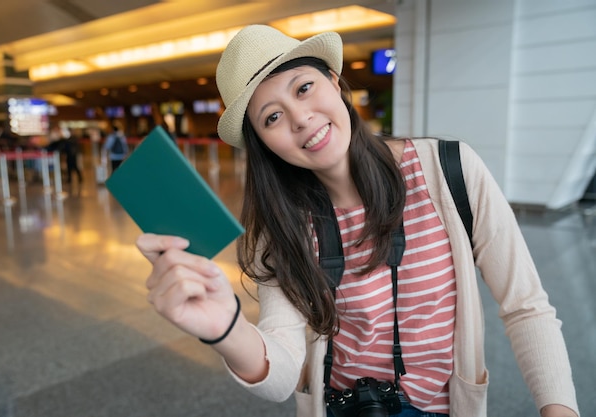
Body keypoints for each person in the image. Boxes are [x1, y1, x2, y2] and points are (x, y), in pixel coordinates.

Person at [135, 25, 579, 417]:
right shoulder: (282, 227)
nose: (300, 118)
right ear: (264, 144)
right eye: (272, 117)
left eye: (303, 87)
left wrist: (558, 408)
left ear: (333, 80)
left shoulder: (450, 171)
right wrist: (227, 330)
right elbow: (283, 368)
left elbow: (526, 306)